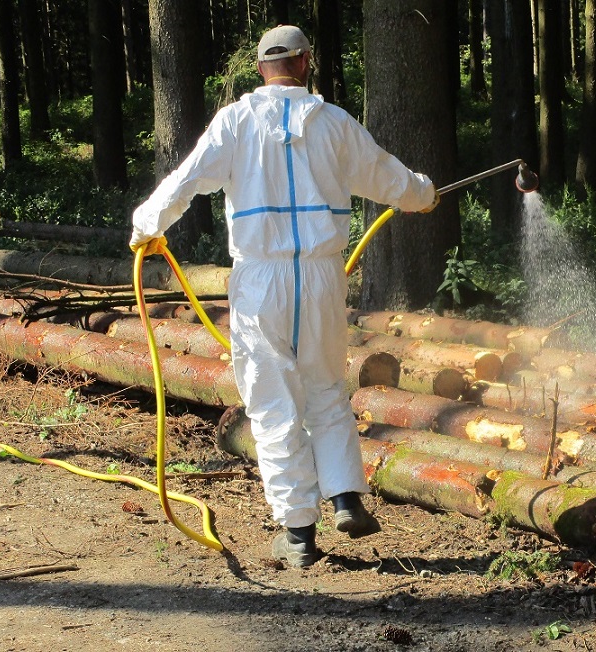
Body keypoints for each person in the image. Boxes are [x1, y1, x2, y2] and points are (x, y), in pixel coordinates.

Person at [130, 25, 439, 567]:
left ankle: (298, 534)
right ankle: (345, 496)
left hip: (261, 280)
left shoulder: (235, 122)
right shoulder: (334, 122)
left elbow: (186, 179)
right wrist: (424, 193)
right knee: (326, 389)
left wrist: (145, 225)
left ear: (260, 69)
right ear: (305, 62)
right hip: (322, 278)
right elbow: (388, 177)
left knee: (274, 404)